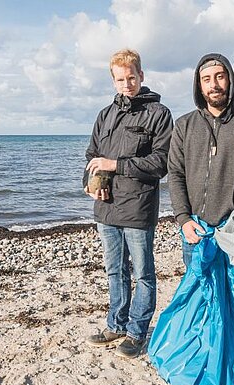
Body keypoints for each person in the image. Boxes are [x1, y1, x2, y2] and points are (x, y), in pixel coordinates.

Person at [83, 49, 173, 359]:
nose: (127, 84)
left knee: (143, 274)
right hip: (106, 208)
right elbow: (92, 156)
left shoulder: (159, 114)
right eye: (120, 80)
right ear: (113, 81)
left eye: (131, 78)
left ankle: (136, 332)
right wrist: (89, 185)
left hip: (138, 207)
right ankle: (116, 325)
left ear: (141, 75)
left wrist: (115, 165)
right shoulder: (105, 115)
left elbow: (161, 163)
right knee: (114, 271)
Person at [168, 53, 234, 268]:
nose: (213, 85)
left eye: (220, 77)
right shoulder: (184, 124)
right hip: (195, 228)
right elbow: (176, 173)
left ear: (230, 79)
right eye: (206, 79)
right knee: (196, 284)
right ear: (199, 85)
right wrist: (184, 219)